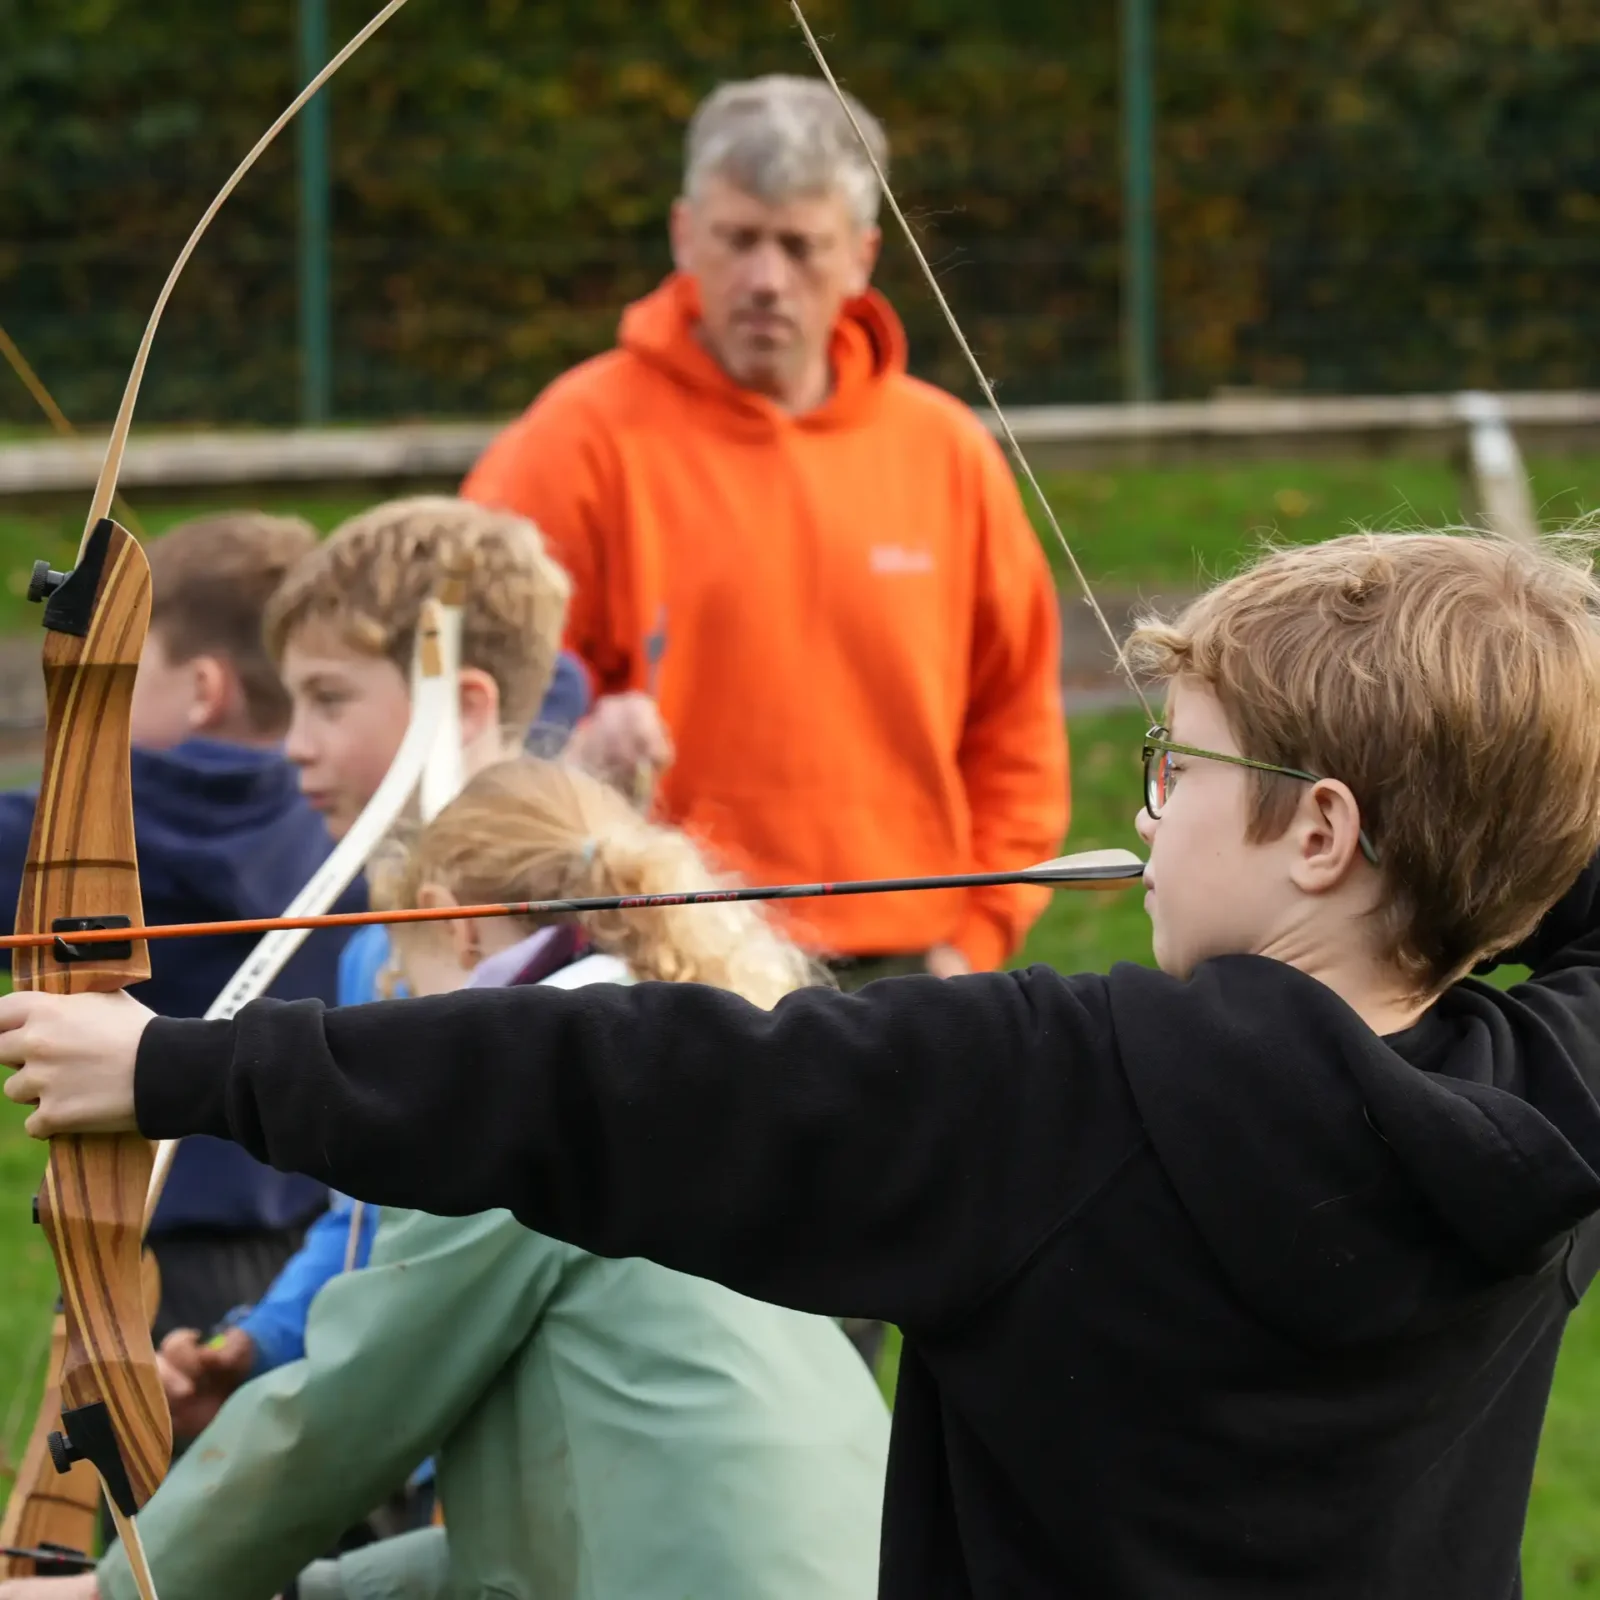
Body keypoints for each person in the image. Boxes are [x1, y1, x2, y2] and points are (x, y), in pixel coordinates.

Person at [11, 531, 1600, 1599]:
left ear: (1321, 830)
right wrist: (1493, 778)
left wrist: (177, 1071)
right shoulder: (1550, 1108)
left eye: (1176, 764)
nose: (1144, 810)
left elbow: (607, 1079)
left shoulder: (1058, 1084)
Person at [6, 756, 887, 1600]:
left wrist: (122, 1591)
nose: (396, 1021)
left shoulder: (513, 1102)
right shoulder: (674, 1077)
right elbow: (561, 1514)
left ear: (452, 923)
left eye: (396, 977)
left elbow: (351, 1411)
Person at [462, 73, 1069, 989]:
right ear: (682, 234)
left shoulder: (947, 453)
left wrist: (970, 940)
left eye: (801, 246)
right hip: (658, 965)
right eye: (739, 240)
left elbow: (1016, 725)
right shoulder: (573, 443)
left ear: (863, 256)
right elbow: (473, 704)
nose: (765, 280)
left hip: (909, 972)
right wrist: (578, 751)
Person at [153, 495, 574, 1443]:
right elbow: (364, 1220)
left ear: (461, 707)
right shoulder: (375, 952)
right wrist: (257, 1346)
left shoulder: (572, 926)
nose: (295, 741)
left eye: (330, 699)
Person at [0, 511, 341, 1341]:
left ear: (203, 687)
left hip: (146, 1254)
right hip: (326, 1240)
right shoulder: (345, 808)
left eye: (132, 664)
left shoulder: (62, 827)